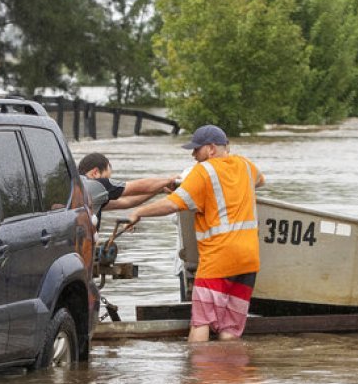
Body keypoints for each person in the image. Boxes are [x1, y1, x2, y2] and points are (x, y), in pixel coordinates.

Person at [126, 125, 265, 342]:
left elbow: (172, 204)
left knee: (202, 323)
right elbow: (260, 181)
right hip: (248, 261)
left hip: (219, 260)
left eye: (196, 150)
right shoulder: (246, 165)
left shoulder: (203, 171)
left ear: (210, 149)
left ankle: (199, 374)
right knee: (230, 330)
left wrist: (139, 212)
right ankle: (230, 373)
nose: (193, 155)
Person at [77, 152, 176, 223]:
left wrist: (160, 189)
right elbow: (140, 186)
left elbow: (126, 202)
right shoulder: (97, 185)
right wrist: (169, 180)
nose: (107, 181)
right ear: (95, 173)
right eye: (107, 178)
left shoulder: (80, 189)